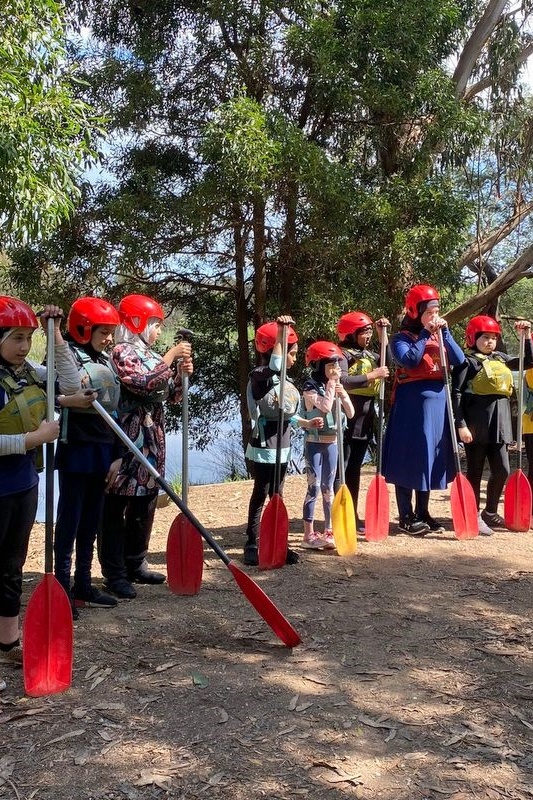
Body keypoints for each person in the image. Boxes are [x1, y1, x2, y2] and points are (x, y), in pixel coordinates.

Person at [0, 297, 81, 680]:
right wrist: (33, 439)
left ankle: (7, 643)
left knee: (12, 567)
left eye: (28, 337)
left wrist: (58, 338)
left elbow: (69, 382)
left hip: (22, 484)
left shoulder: (28, 372)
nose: (23, 346)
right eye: (16, 337)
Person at [98, 294, 193, 599]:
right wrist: (169, 358)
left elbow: (171, 395)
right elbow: (141, 382)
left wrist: (181, 374)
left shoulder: (151, 353)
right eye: (154, 324)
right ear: (137, 323)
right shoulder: (121, 351)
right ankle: (114, 572)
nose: (158, 332)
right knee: (117, 505)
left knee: (145, 502)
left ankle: (136, 562)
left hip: (153, 440)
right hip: (126, 439)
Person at [54, 297, 124, 619]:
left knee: (91, 520)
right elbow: (51, 396)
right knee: (70, 519)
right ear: (84, 328)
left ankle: (84, 583)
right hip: (76, 449)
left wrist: (117, 456)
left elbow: (116, 410)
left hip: (102, 450)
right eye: (104, 331)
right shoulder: (63, 353)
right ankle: (61, 588)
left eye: (112, 331)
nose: (110, 337)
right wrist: (71, 401)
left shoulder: (106, 360)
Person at [382, 284, 465, 534]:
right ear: (415, 312)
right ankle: (406, 515)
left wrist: (445, 335)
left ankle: (423, 512)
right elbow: (409, 360)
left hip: (438, 408)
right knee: (409, 457)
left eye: (436, 311)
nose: (434, 316)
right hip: (411, 407)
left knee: (430, 458)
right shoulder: (401, 339)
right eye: (428, 312)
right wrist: (424, 335)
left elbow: (460, 361)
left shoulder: (439, 336)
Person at [243, 316, 323, 566]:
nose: (295, 358)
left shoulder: (284, 381)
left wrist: (306, 423)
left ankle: (278, 541)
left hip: (283, 446)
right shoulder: (259, 376)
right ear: (274, 350)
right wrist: (281, 333)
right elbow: (275, 365)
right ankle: (252, 542)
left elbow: (288, 413)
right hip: (264, 448)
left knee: (278, 494)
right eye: (292, 353)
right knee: (262, 492)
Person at [452, 315, 533, 536]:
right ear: (473, 338)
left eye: (493, 338)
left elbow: (528, 361)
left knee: (502, 471)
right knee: (476, 472)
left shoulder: (501, 358)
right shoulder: (466, 362)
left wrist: (525, 338)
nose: (490, 341)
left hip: (500, 423)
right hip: (476, 423)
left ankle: (489, 512)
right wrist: (461, 425)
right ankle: (473, 515)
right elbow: (456, 394)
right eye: (485, 337)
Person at [336, 311, 390, 528]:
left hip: (366, 416)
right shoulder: (342, 355)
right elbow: (344, 380)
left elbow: (389, 361)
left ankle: (353, 512)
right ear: (351, 334)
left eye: (369, 332)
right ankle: (341, 512)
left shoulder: (370, 356)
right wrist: (371, 376)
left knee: (355, 467)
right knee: (345, 465)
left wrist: (382, 335)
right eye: (364, 332)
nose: (368, 337)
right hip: (348, 415)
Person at [301, 341, 354, 549]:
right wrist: (332, 385)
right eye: (330, 365)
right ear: (318, 365)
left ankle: (329, 529)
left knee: (328, 488)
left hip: (332, 442)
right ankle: (308, 534)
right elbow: (324, 406)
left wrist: (343, 393)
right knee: (313, 487)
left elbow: (350, 413)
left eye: (336, 365)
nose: (334, 369)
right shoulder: (309, 387)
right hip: (314, 442)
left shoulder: (336, 386)